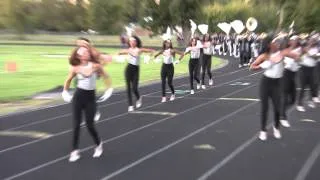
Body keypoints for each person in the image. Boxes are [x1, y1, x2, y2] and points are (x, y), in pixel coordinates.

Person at [62, 45, 112, 162]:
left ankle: (98, 144)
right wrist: (65, 91)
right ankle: (74, 151)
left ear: (89, 54)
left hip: (90, 98)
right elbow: (68, 80)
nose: (85, 54)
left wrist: (109, 89)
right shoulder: (75, 68)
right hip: (78, 97)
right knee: (76, 124)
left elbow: (106, 77)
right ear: (78, 56)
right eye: (82, 53)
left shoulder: (96, 66)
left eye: (86, 52)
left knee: (90, 124)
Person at [250, 35, 297, 141]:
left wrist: (293, 54)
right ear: (269, 45)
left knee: (277, 107)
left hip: (277, 83)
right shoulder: (264, 56)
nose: (277, 44)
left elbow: (295, 55)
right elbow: (252, 67)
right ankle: (263, 130)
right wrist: (262, 66)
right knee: (264, 108)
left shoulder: (282, 53)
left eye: (277, 42)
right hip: (266, 83)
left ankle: (276, 128)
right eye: (274, 42)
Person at [118, 36, 155, 112]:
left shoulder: (139, 50)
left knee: (134, 88)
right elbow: (119, 53)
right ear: (129, 42)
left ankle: (138, 98)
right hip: (128, 69)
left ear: (136, 42)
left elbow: (152, 51)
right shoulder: (128, 50)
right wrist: (119, 56)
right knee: (128, 88)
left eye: (134, 41)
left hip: (136, 70)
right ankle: (130, 105)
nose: (132, 42)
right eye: (130, 41)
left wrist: (148, 57)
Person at [279, 35, 302, 127]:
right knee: (285, 95)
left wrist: (298, 58)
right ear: (290, 42)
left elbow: (299, 59)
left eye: (297, 40)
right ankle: (282, 117)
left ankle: (281, 109)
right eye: (294, 40)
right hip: (286, 74)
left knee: (293, 99)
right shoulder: (285, 51)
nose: (296, 41)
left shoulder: (299, 49)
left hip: (293, 75)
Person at [296, 37, 320, 112]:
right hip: (303, 69)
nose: (312, 42)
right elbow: (298, 57)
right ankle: (299, 104)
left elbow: (316, 58)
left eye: (313, 41)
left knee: (313, 85)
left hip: (312, 69)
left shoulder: (316, 49)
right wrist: (305, 52)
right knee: (303, 87)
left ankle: (311, 101)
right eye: (311, 41)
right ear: (308, 42)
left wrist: (310, 54)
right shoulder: (303, 49)